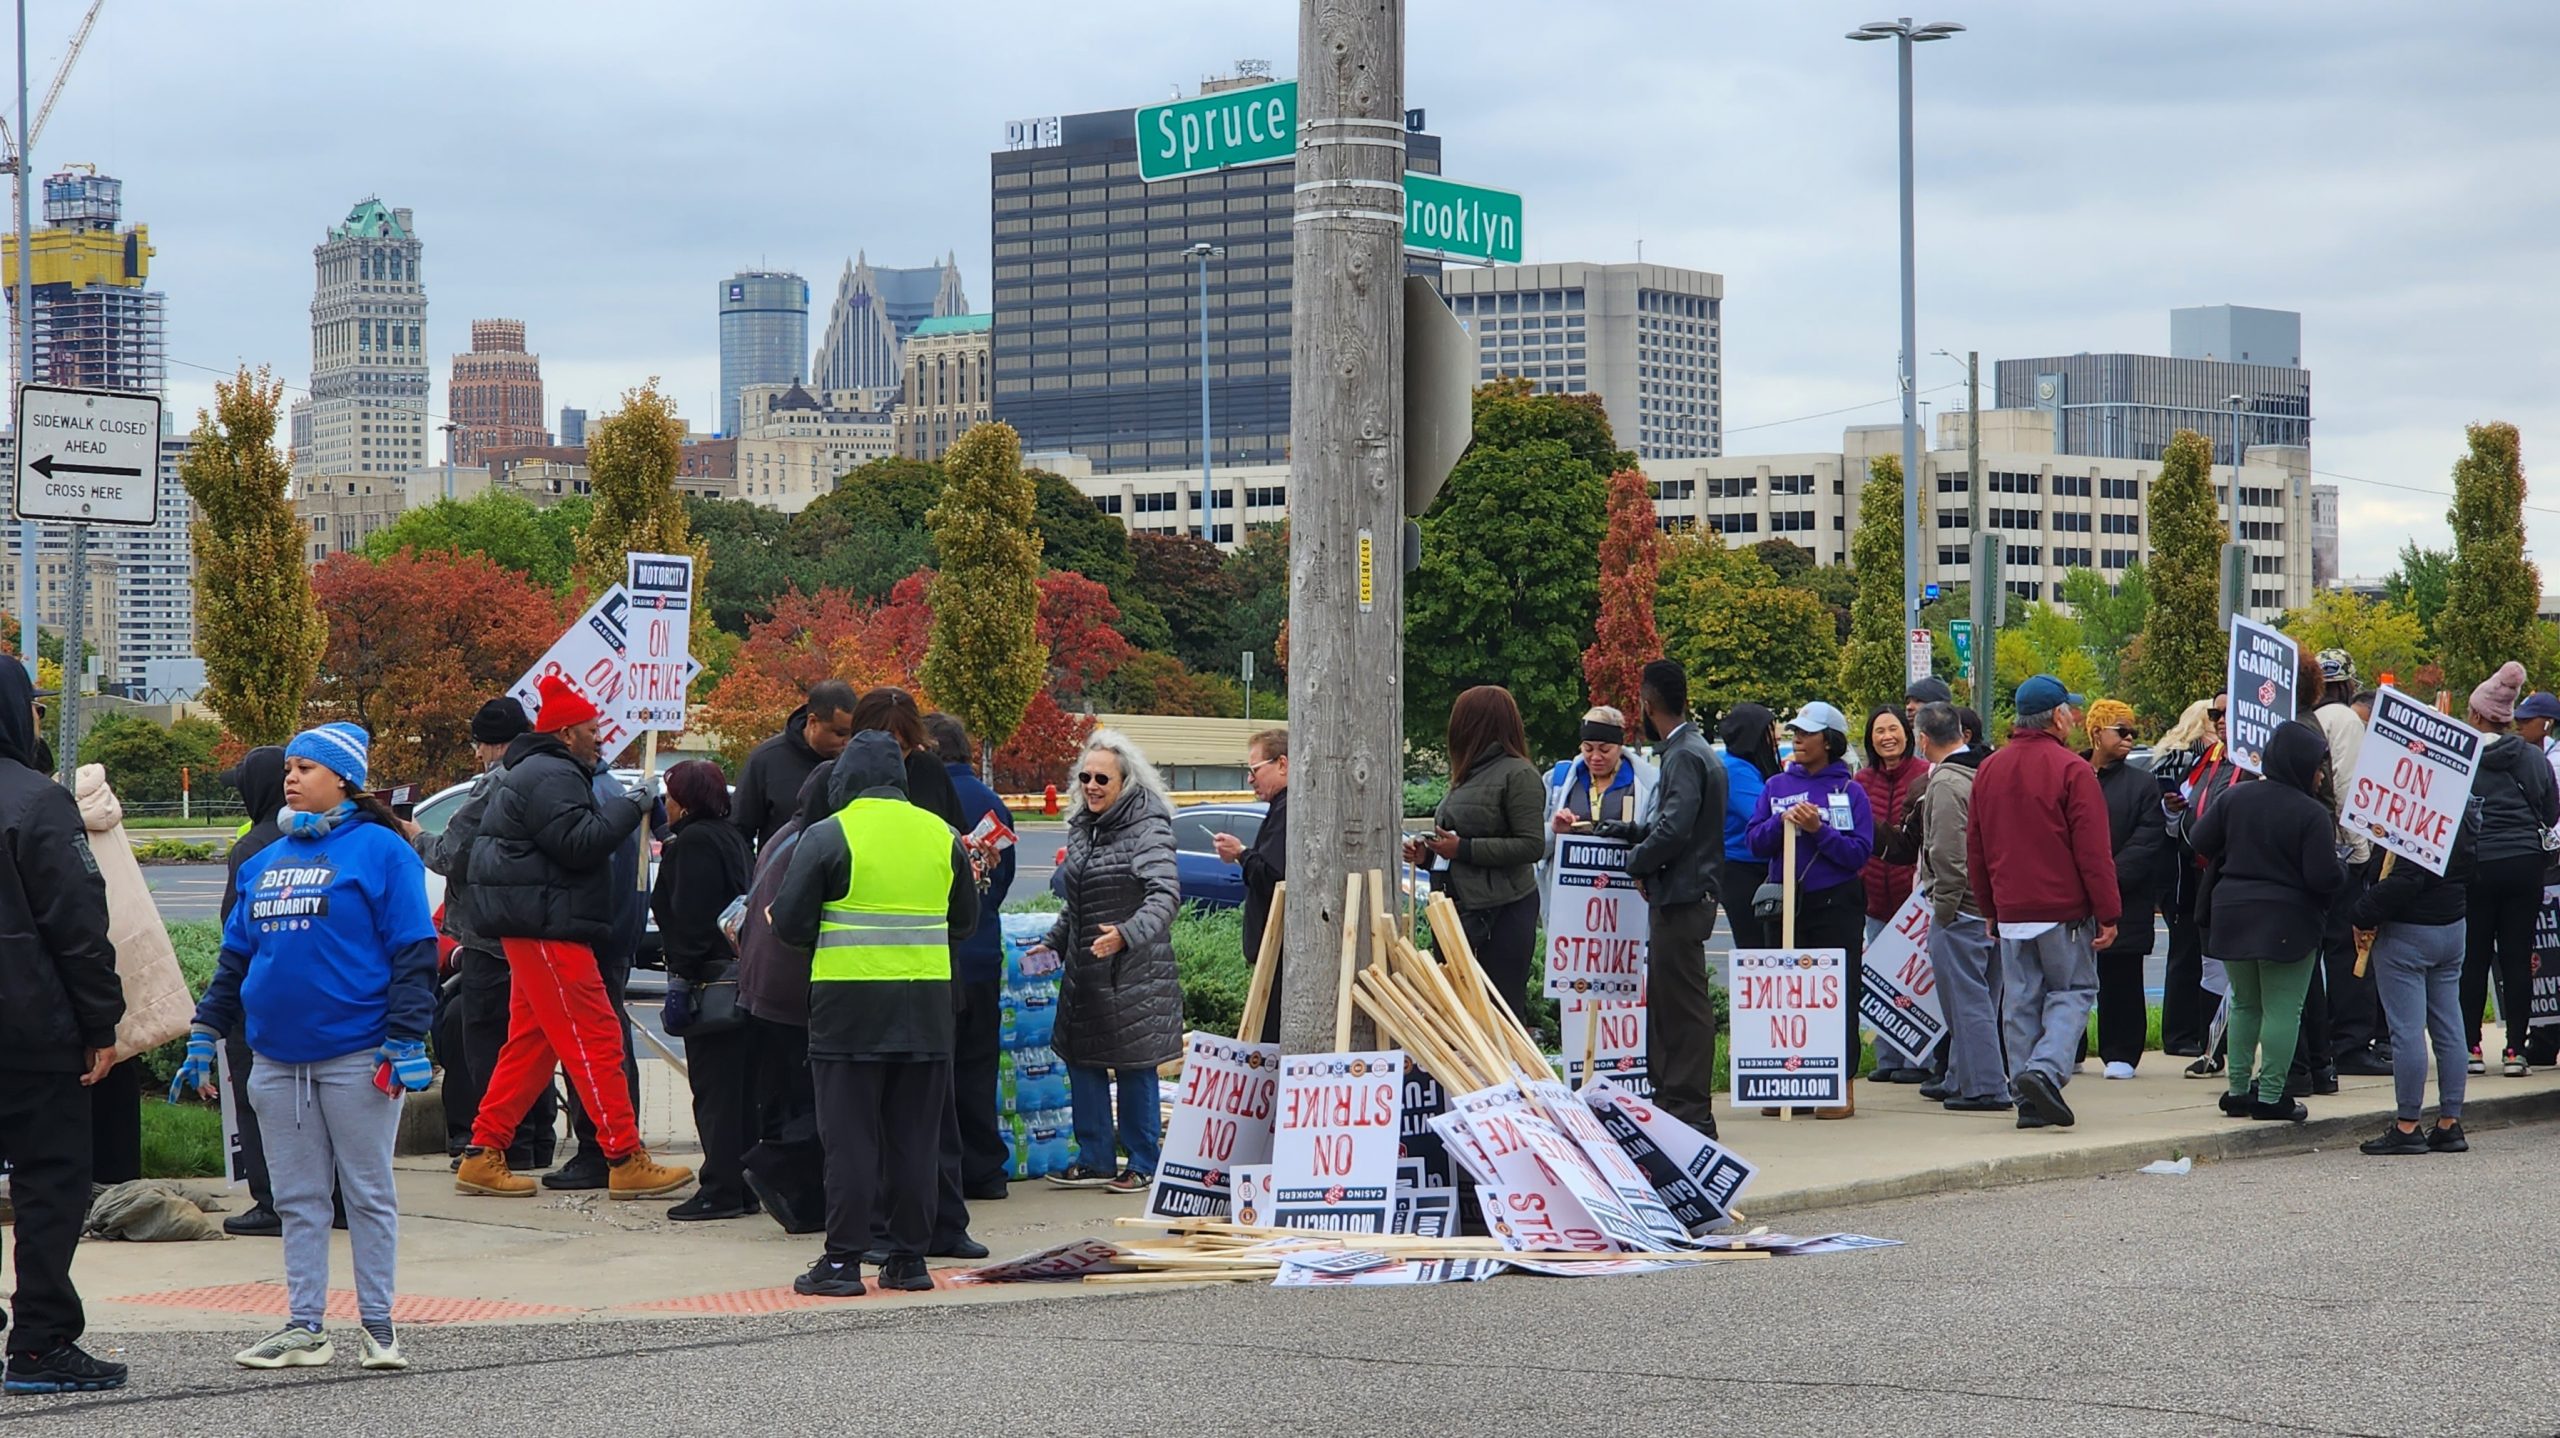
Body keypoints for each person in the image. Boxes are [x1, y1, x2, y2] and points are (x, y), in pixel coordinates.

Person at [173, 724, 436, 1372]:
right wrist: (205, 1032)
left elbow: (414, 951)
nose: (291, 777)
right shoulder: (266, 861)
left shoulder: (381, 851)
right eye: (288, 767)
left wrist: (405, 1036)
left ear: (344, 778)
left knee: (367, 1193)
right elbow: (236, 958)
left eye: (306, 767)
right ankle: (305, 1327)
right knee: (298, 1201)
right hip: (275, 1061)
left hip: (356, 1057)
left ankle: (378, 1328)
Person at [455, 673, 691, 1200]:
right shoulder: (553, 774)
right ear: (565, 733)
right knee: (598, 1036)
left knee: (531, 1045)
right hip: (547, 926)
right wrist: (632, 806)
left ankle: (483, 1152)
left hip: (535, 923)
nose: (600, 735)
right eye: (591, 728)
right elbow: (579, 843)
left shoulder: (540, 771)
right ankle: (625, 1156)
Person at [771, 733, 979, 1297]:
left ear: (844, 780)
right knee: (915, 1139)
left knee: (850, 1141)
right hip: (928, 1012)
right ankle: (908, 1260)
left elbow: (788, 925)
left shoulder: (828, 834)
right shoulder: (942, 835)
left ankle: (842, 1263)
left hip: (848, 1012)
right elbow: (964, 922)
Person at [0, 660, 126, 1396]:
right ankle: (41, 1342)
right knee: (51, 1185)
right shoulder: (37, 801)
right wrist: (99, 1024)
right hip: (30, 1030)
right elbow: (79, 925)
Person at [850, 687, 979, 1259]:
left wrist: (971, 859)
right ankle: (882, 1229)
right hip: (859, 980)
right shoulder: (843, 784)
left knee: (935, 1116)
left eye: (908, 746)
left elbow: (954, 861)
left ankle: (945, 1224)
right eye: (893, 745)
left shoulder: (929, 773)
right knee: (874, 1119)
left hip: (929, 975)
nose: (902, 756)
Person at [1967, 675, 2120, 1130]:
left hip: (2011, 908)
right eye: (2069, 711)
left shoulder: (1990, 768)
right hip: (2063, 908)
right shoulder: (2072, 769)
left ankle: (2026, 1097)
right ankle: (2045, 1071)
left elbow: (1975, 845)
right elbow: (2093, 850)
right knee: (2072, 991)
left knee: (2020, 1002)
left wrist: (1989, 908)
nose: (2074, 718)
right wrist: (2108, 912)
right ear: (2057, 716)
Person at [413, 699, 556, 1187]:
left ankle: (500, 1143)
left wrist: (411, 832)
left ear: (492, 743)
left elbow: (449, 853)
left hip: (488, 935)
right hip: (534, 929)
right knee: (530, 1038)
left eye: (477, 745)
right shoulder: (550, 777)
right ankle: (535, 1140)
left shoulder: (496, 783)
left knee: (489, 1044)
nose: (476, 756)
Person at [1033, 730, 1183, 1192]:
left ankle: (1142, 1161)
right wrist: (1053, 943)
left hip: (1134, 972)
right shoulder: (1084, 828)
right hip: (1086, 971)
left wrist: (1126, 935)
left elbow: (1165, 895)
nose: (1093, 785)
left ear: (1126, 782)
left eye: (1103, 778)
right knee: (1083, 1060)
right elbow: (1077, 903)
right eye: (1086, 777)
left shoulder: (1148, 827)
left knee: (1134, 1065)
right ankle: (1095, 1157)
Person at [1587, 660, 1724, 1134]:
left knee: (1679, 1009)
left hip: (1682, 896)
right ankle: (1677, 1104)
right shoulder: (1692, 749)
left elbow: (1675, 829)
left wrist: (1636, 860)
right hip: (1687, 892)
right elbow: (1671, 822)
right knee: (1673, 1004)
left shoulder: (1683, 754)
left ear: (1648, 705)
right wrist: (1630, 831)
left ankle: (1685, 1110)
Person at [2189, 719, 2348, 1123]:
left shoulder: (2235, 797)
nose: (2320, 776)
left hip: (2231, 913)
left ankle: (2238, 1090)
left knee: (2244, 1004)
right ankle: (2272, 1095)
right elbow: (2322, 877)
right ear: (2300, 765)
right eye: (2317, 767)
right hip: (2288, 922)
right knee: (2283, 1009)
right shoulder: (2311, 814)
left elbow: (2200, 840)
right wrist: (2342, 869)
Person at [1745, 700, 1874, 1119]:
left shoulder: (1849, 792)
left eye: (1807, 733)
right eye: (1795, 732)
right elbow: (1754, 841)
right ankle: (1789, 1082)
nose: (1797, 739)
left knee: (1838, 992)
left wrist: (1819, 830)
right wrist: (1781, 823)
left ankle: (1839, 1084)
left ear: (1830, 741)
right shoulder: (1776, 786)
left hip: (1835, 902)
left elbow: (1857, 854)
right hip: (1785, 905)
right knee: (1787, 992)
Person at [75, 764, 192, 1187]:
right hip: (120, 966)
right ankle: (121, 1184)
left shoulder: (42, 814)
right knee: (117, 1074)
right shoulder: (98, 805)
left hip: (70, 973)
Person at [734, 761, 836, 1234]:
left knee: (788, 1099)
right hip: (794, 991)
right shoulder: (818, 844)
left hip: (762, 987)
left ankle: (801, 1200)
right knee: (815, 1102)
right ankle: (774, 1166)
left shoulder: (784, 836)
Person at [652, 759, 755, 1221]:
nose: (667, 805)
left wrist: (681, 979)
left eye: (672, 796)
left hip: (709, 979)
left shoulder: (692, 844)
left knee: (713, 1091)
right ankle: (747, 1181)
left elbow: (692, 917)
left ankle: (721, 1187)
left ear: (687, 800)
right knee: (741, 1090)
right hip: (742, 974)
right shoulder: (732, 836)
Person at [1407, 686, 1547, 1017]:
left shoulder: (1520, 774)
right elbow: (1461, 847)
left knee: (1497, 1012)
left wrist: (1464, 849)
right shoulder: (1470, 774)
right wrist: (1428, 856)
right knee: (1458, 1012)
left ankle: (1503, 1070)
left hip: (1502, 913)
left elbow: (1531, 845)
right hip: (1462, 909)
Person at [930, 712, 1018, 1203]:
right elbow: (999, 882)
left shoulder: (926, 801)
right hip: (983, 952)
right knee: (979, 1066)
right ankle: (985, 1169)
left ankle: (946, 1169)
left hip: (939, 955)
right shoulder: (991, 803)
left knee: (938, 1070)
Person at [2353, 810, 2473, 1156]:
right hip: (2452, 924)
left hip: (2408, 931)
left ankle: (2408, 1124)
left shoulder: (2415, 810)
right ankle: (2450, 1121)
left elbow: (2407, 878)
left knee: (2406, 1030)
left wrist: (2362, 912)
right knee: (2449, 1025)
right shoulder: (2463, 810)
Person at [2459, 662, 2556, 1077]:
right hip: (2524, 865)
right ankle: (2516, 1049)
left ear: (2478, 714)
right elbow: (2551, 813)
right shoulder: (2534, 758)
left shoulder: (2461, 756)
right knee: (2518, 957)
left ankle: (2470, 1048)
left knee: (2473, 957)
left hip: (2476, 865)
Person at [1909, 702, 2002, 1112]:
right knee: (1987, 997)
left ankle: (1984, 1086)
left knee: (1967, 1003)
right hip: (1993, 905)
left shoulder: (1946, 782)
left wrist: (1944, 909)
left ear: (1923, 739)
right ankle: (1961, 1077)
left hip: (1962, 909)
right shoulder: (1988, 770)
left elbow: (1946, 853)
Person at [213, 747, 290, 1236]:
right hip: (317, 1000)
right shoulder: (327, 837)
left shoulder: (253, 847)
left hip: (256, 995)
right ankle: (337, 1198)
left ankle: (272, 1201)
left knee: (257, 1098)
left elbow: (232, 926)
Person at [2310, 650, 2388, 1079]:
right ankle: (2352, 1043)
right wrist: (2360, 852)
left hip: (2303, 850)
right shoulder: (2344, 721)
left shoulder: (2301, 718)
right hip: (2339, 849)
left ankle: (2319, 1043)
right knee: (2348, 951)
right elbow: (2349, 788)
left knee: (2311, 953)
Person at [2086, 699, 2169, 1078]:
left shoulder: (2142, 782)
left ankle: (2122, 1051)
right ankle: (2068, 1048)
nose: (2130, 737)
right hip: (2073, 896)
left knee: (2122, 976)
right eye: (2121, 730)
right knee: (2065, 979)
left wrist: (2105, 878)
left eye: (2132, 730)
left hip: (2124, 896)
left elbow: (2148, 839)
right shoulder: (2073, 772)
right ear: (2097, 732)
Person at [2163, 694, 2246, 1073]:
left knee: (2249, 969)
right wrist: (2171, 812)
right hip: (2203, 874)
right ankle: (2212, 1050)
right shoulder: (2207, 760)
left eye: (2231, 713)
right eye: (2217, 714)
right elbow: (2185, 806)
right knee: (2211, 964)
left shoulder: (2258, 765)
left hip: (2244, 876)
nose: (2221, 720)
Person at [1856, 707, 1931, 1083]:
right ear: (1870, 738)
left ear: (1908, 733)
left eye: (1894, 729)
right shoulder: (1861, 780)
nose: (1887, 736)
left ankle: (1920, 1061)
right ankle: (1888, 1060)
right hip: (1874, 898)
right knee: (1881, 981)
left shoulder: (1923, 775)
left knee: (1915, 980)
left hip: (1913, 899)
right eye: (1879, 730)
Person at [1215, 728, 1288, 1043]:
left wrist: (1242, 855)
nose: (1250, 779)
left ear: (1282, 764)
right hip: (1273, 952)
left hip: (1280, 955)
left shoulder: (1288, 810)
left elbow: (1274, 877)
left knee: (1271, 1037)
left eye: (1255, 770)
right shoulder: (1281, 808)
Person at [734, 679, 857, 851]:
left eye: (854, 733)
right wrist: (757, 874)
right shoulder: (766, 760)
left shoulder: (858, 763)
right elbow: (739, 832)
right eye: (840, 733)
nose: (848, 742)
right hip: (782, 873)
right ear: (813, 722)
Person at [1718, 704, 1782, 953]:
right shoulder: (1735, 770)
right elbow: (1762, 812)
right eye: (1769, 732)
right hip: (1742, 870)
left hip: (1759, 867)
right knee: (1755, 951)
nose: (1776, 737)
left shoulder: (1751, 766)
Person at [1542, 705, 1657, 841]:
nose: (1595, 757)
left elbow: (1658, 840)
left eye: (1605, 750)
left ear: (1620, 747)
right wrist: (1554, 831)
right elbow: (1536, 846)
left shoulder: (1648, 784)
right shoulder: (1557, 780)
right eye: (1588, 749)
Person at [2521, 691, 2560, 786]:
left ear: (2548, 723)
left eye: (2526, 720)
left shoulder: (2556, 762)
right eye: (2517, 720)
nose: (2519, 726)